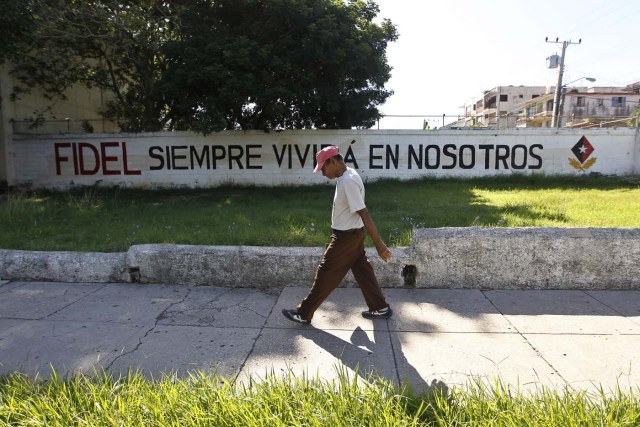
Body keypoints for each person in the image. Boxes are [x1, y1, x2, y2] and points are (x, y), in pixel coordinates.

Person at [282, 145, 393, 324]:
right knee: (362, 270)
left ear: (333, 161)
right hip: (354, 235)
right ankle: (380, 307)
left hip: (345, 238)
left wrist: (379, 245)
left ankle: (303, 313)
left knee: (325, 272)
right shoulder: (349, 174)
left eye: (323, 168)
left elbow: (364, 212)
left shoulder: (347, 182)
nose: (322, 173)